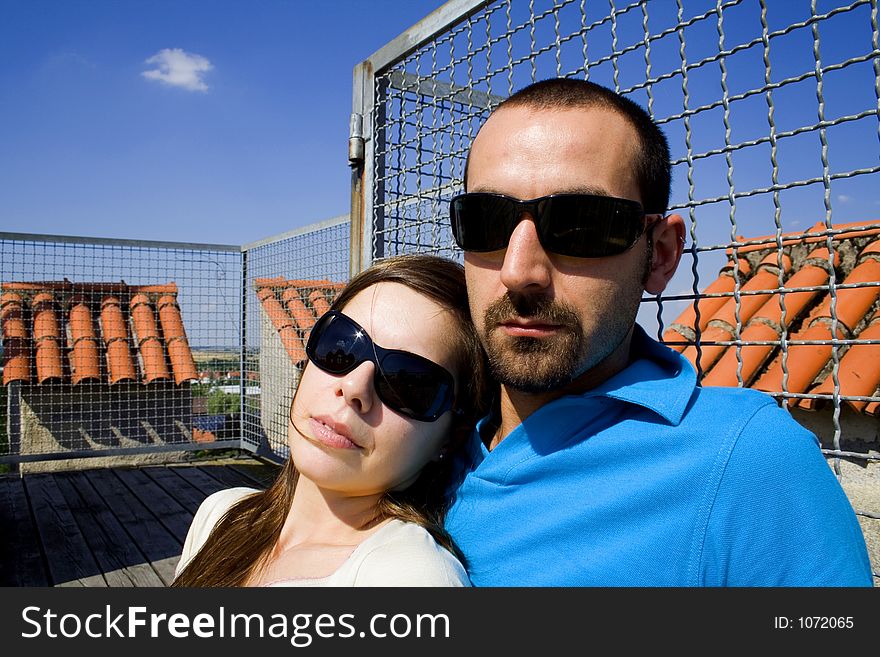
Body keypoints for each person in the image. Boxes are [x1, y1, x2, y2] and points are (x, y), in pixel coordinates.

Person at [443, 77, 873, 586]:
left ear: (661, 254)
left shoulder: (746, 461)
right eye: (486, 220)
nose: (519, 271)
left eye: (582, 224)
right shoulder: (416, 421)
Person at [173, 254, 489, 587]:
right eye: (340, 345)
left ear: (449, 437)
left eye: (407, 383)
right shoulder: (221, 514)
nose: (353, 386)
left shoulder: (410, 576)